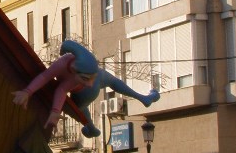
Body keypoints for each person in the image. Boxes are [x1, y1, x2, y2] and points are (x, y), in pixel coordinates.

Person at [12, 40, 159, 137]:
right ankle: (143, 98)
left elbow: (52, 82)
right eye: (86, 78)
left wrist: (28, 92)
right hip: (86, 91)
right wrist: (29, 93)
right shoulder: (65, 67)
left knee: (85, 103)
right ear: (75, 70)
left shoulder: (76, 72)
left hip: (87, 90)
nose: (89, 82)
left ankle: (91, 128)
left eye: (91, 77)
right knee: (111, 82)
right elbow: (57, 86)